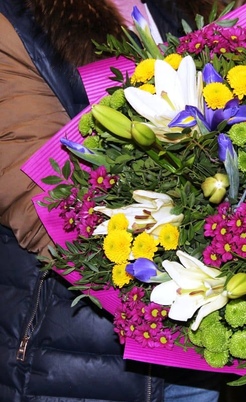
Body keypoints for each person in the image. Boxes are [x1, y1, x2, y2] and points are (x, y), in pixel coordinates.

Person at [0, 1, 225, 401]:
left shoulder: (189, 9)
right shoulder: (14, 19)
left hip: (197, 351)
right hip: (72, 352)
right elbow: (36, 192)